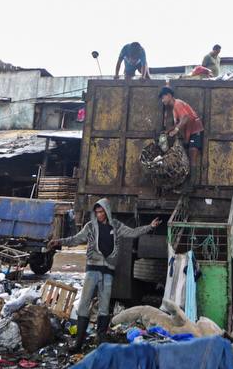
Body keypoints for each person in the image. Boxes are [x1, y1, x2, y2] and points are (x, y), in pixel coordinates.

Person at [48, 199, 161, 352]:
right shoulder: (90, 227)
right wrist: (59, 241)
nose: (99, 215)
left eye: (101, 212)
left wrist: (150, 227)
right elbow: (76, 239)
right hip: (92, 269)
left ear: (106, 211)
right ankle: (78, 343)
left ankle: (101, 340)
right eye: (97, 212)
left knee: (104, 306)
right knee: (83, 304)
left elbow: (133, 233)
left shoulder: (116, 226)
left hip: (108, 271)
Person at [159, 86, 204, 192]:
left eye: (163, 97)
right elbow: (179, 122)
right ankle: (186, 183)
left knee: (193, 156)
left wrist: (176, 130)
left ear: (169, 95)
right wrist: (168, 130)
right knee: (185, 157)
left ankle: (192, 185)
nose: (162, 100)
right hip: (189, 134)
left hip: (195, 131)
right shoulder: (174, 108)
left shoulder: (177, 104)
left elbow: (186, 118)